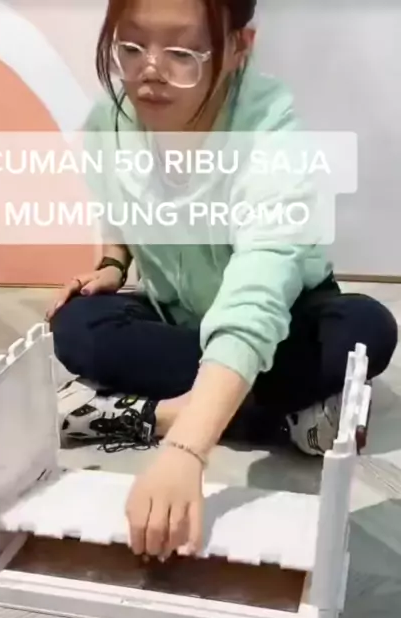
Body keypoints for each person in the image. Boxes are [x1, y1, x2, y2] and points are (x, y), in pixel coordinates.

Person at [48, 0, 397, 560]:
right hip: (181, 317)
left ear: (238, 47)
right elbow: (116, 210)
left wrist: (186, 448)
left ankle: (165, 411)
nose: (150, 70)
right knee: (76, 324)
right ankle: (276, 412)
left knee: (364, 328)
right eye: (130, 46)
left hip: (286, 315)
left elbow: (259, 289)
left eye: (182, 52)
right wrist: (113, 266)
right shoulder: (107, 125)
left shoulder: (269, 130)